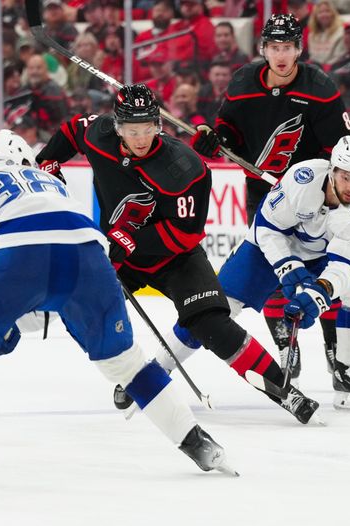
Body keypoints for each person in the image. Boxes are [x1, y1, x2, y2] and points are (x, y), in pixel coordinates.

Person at [0, 130, 233, 481]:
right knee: (129, 365)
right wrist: (12, 324)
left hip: (22, 247)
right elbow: (55, 302)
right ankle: (199, 444)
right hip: (91, 255)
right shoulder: (54, 185)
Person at [36, 84, 320, 425]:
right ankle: (138, 377)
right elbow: (72, 131)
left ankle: (285, 390)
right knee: (87, 307)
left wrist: (127, 243)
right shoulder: (100, 135)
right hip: (120, 255)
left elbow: (185, 233)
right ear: (117, 127)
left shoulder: (185, 167)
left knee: (210, 323)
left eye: (148, 128)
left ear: (159, 124)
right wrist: (48, 161)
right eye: (132, 130)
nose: (141, 138)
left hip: (175, 257)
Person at [159, 136, 350, 411]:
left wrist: (320, 291)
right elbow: (267, 227)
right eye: (347, 177)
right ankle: (158, 367)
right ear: (332, 169)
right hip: (270, 247)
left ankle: (346, 369)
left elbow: (346, 265)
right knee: (215, 308)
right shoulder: (303, 178)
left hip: (320, 258)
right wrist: (287, 266)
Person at [191, 14, 350, 384]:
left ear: (299, 49)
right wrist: (213, 140)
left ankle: (337, 358)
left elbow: (341, 150)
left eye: (288, 48)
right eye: (274, 48)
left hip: (315, 198)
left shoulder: (320, 88)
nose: (281, 56)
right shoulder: (244, 82)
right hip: (264, 194)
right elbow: (227, 132)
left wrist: (322, 184)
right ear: (264, 48)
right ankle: (285, 342)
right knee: (273, 266)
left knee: (325, 270)